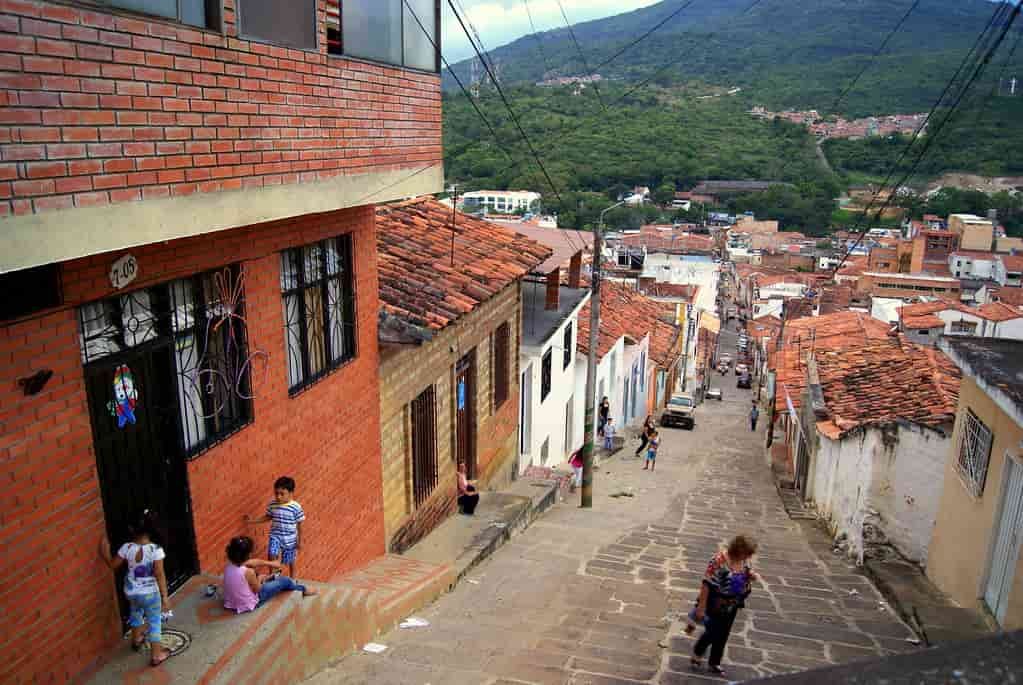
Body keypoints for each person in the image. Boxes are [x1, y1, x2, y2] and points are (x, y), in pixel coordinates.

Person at [98, 509, 171, 667]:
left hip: (132, 592)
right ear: (151, 528)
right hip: (150, 594)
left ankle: (137, 639)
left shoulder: (127, 547)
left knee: (135, 614)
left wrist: (104, 552)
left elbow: (113, 565)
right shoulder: (156, 550)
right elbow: (159, 574)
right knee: (154, 622)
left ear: (132, 529)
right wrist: (165, 597)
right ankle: (156, 655)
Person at [690, 535, 759, 677]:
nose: (750, 556)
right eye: (748, 552)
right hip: (716, 603)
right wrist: (701, 607)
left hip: (732, 604)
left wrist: (750, 575)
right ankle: (698, 652)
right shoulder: (718, 561)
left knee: (723, 634)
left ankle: (714, 662)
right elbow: (707, 583)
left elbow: (745, 571)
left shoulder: (744, 560)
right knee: (712, 631)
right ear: (738, 550)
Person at [222, 535, 316, 614]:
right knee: (284, 581)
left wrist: (270, 564)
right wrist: (260, 579)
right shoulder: (248, 572)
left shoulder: (229, 565)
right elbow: (258, 590)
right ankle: (303, 589)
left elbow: (252, 562)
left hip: (231, 602)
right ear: (248, 555)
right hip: (249, 604)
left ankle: (268, 578)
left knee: (260, 574)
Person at [245, 476, 305, 579]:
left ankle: (293, 579)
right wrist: (252, 521)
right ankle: (274, 575)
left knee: (290, 560)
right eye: (276, 493)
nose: (278, 496)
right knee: (272, 553)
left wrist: (299, 541)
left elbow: (300, 526)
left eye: (282, 494)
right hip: (276, 535)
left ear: (291, 493)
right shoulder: (272, 504)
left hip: (290, 539)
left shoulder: (296, 507)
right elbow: (268, 516)